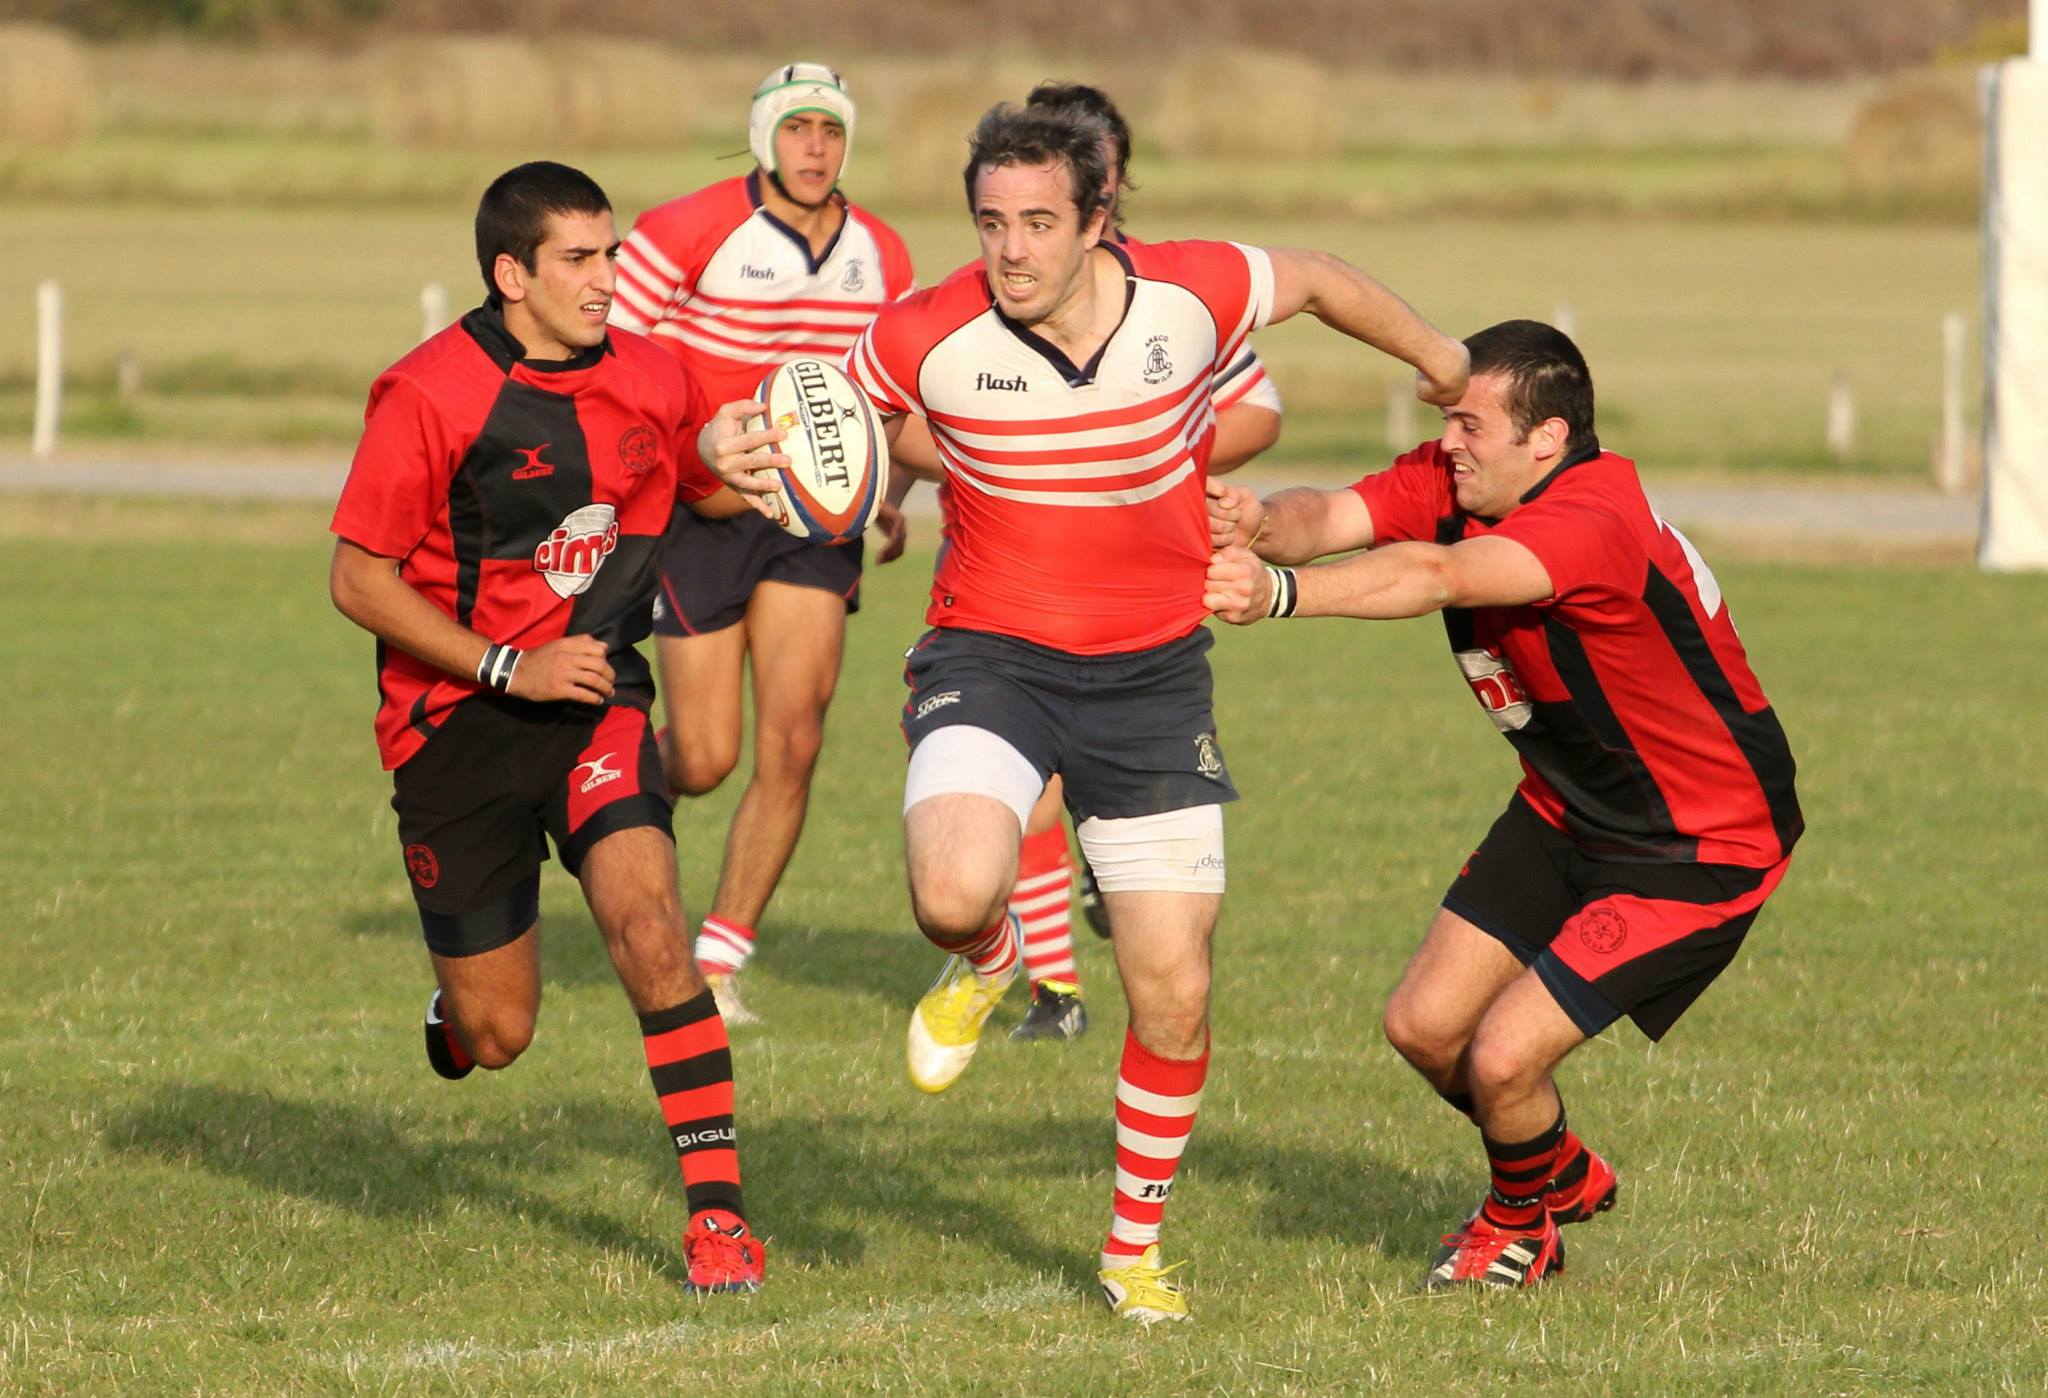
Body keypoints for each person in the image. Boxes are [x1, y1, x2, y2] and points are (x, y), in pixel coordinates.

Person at [707, 102, 1466, 1322]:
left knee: (1172, 990)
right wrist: (731, 438)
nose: (1009, 251)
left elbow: (1320, 278)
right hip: (988, 655)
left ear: (1098, 219)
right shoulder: (925, 329)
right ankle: (994, 962)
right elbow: (795, 408)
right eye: (991, 223)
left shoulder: (1190, 294)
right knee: (952, 891)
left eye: (1038, 224)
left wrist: (1437, 361)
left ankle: (1128, 1253)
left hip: (1154, 678)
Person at [1204, 320, 1802, 1291]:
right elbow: (1334, 515)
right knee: (1421, 1027)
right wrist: (1254, 522)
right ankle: (1553, 1170)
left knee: (1502, 1057)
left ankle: (1517, 1227)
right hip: (1566, 807)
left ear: (1547, 441)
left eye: (1469, 425)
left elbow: (1432, 575)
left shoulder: (1591, 519)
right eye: (1446, 421)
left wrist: (1277, 595)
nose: (1447, 443)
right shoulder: (1467, 474)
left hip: (1697, 844)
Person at [328, 161, 765, 1295]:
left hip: (592, 696)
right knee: (501, 1031)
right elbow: (357, 577)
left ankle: (716, 1221)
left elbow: (686, 484)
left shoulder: (655, 375)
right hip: (454, 721)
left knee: (650, 923)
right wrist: (503, 664)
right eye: (579, 259)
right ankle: (455, 1020)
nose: (608, 279)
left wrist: (728, 468)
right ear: (509, 273)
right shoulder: (428, 395)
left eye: (612, 254)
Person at [885, 80, 1290, 1046]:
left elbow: (1260, 406)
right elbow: (891, 414)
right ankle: (1047, 985)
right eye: (998, 216)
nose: (1015, 237)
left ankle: (1069, 949)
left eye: (1101, 162)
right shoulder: (970, 305)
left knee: (1160, 955)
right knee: (1014, 810)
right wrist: (962, 469)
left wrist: (1151, 463)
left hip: (1142, 632)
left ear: (1109, 189)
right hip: (1002, 614)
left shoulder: (1170, 298)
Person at [608, 63, 916, 1026]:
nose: (815, 147)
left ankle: (719, 960)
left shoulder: (884, 255)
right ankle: (588, 809)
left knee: (794, 738)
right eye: (797, 130)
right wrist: (670, 472)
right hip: (704, 509)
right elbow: (606, 352)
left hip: (813, 525)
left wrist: (891, 488)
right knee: (702, 758)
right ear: (763, 139)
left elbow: (896, 388)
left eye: (830, 130)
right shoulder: (686, 229)